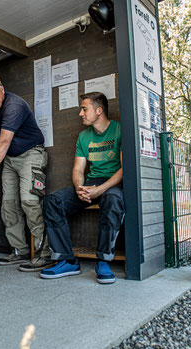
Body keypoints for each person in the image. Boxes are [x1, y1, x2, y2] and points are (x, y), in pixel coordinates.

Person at [40, 92, 124, 284]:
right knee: (51, 201)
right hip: (89, 183)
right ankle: (66, 260)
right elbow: (78, 169)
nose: (80, 113)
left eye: (84, 109)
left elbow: (123, 170)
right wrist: (79, 187)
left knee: (113, 200)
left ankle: (104, 261)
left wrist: (100, 189)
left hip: (111, 183)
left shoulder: (119, 130)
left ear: (99, 110)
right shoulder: (83, 136)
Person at [0, 74, 53, 272]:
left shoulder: (14, 104)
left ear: (2, 89)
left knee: (30, 202)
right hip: (10, 159)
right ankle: (20, 250)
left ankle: (45, 254)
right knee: (8, 205)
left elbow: (3, 141)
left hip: (31, 154)